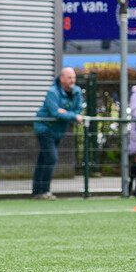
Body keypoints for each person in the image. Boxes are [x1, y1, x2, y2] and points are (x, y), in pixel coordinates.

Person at [32, 67, 84, 200]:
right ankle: (45, 191)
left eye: (74, 77)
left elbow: (78, 110)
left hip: (58, 131)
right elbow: (55, 112)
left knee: (43, 159)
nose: (72, 80)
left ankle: (37, 191)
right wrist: (71, 115)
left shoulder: (77, 92)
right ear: (62, 78)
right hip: (44, 128)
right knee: (51, 158)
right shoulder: (52, 92)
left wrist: (66, 113)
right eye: (69, 77)